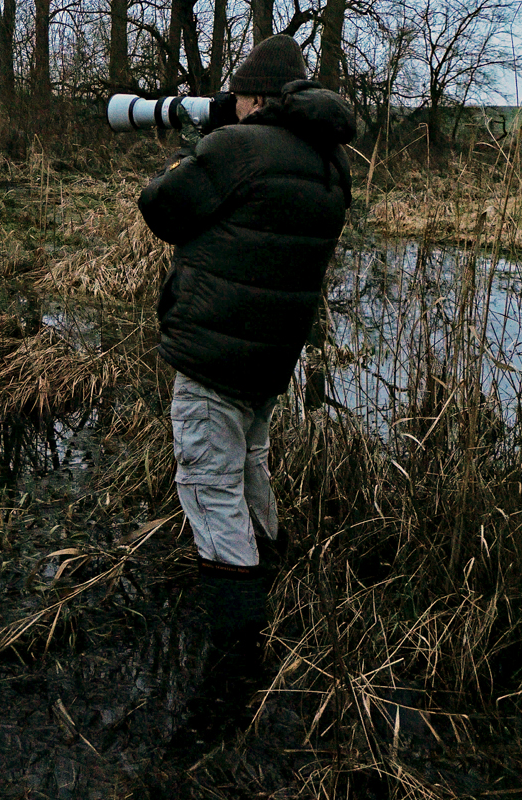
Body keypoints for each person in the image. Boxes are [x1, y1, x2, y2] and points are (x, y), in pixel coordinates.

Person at [138, 35, 355, 658]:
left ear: (256, 98)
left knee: (208, 487)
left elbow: (161, 208)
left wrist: (193, 151)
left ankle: (238, 652)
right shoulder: (330, 162)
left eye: (237, 95)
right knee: (249, 467)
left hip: (215, 357)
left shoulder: (238, 147)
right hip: (269, 358)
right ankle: (273, 581)